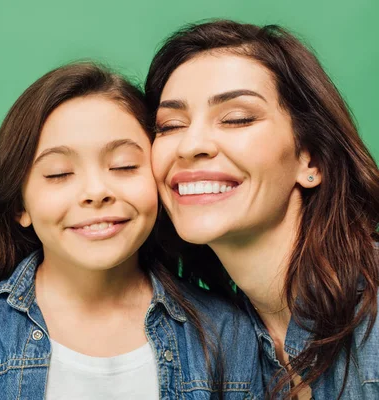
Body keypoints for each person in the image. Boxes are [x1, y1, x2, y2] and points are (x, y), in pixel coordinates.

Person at [0, 62, 263, 399]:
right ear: (19, 205)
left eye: (123, 166)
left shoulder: (224, 332)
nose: (95, 192)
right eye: (59, 173)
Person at [145, 20, 379, 399]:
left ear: (311, 159)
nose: (191, 145)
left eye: (237, 118)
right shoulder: (212, 342)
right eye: (170, 125)